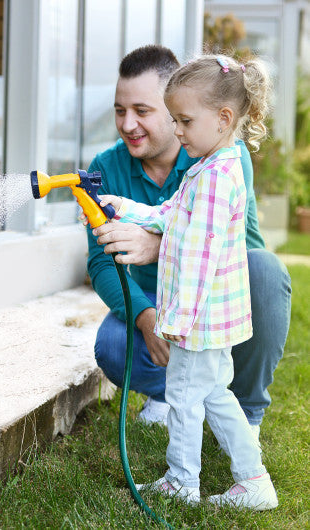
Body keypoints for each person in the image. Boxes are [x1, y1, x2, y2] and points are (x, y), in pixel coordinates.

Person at [96, 53, 277, 509]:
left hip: (199, 320)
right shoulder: (211, 165)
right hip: (211, 319)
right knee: (214, 394)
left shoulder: (216, 178)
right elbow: (168, 214)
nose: (178, 131)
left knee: (182, 396)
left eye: (184, 120)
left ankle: (182, 480)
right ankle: (254, 480)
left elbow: (198, 256)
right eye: (174, 119)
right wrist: (121, 206)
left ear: (223, 118)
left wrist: (175, 322)